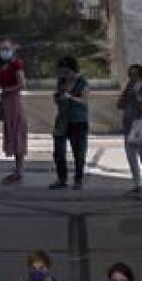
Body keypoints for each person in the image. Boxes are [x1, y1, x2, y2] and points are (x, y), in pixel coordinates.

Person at [50, 56, 90, 191]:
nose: (64, 75)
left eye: (67, 72)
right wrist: (58, 97)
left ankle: (78, 179)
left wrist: (71, 98)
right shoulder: (61, 82)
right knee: (59, 151)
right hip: (62, 119)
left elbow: (85, 101)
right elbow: (58, 97)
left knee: (78, 151)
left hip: (78, 120)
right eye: (61, 72)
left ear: (73, 70)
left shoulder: (82, 82)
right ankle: (62, 178)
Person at [118, 63, 142, 197]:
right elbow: (119, 105)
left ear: (141, 76)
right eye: (130, 75)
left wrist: (137, 97)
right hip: (129, 126)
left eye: (134, 75)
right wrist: (125, 94)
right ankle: (137, 183)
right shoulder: (127, 89)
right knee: (131, 156)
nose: (131, 78)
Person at [0, 39, 28, 184]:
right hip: (6, 101)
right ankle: (16, 168)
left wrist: (7, 90)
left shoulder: (16, 64)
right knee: (10, 132)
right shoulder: (2, 66)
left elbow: (22, 84)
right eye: (2, 49)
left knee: (17, 132)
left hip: (14, 101)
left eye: (7, 49)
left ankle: (19, 169)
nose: (4, 52)